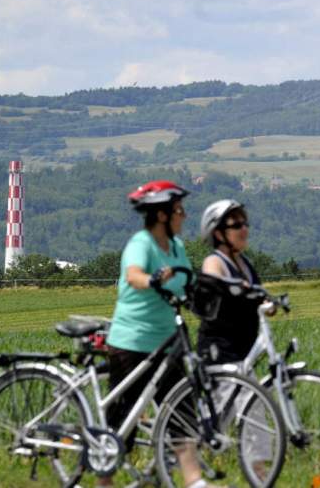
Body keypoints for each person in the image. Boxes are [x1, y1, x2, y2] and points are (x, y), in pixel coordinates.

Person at [101, 180, 221, 488]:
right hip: (133, 340)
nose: (185, 216)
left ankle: (194, 480)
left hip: (168, 340)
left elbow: (187, 281)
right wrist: (152, 280)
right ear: (162, 215)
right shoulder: (141, 244)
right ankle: (105, 481)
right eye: (180, 210)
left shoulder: (177, 247)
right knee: (123, 416)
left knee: (182, 411)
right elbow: (134, 275)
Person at [196, 199, 266, 365]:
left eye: (245, 224)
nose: (244, 229)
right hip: (220, 353)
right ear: (219, 234)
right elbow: (214, 288)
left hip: (244, 350)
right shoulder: (214, 262)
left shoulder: (245, 263)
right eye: (236, 226)